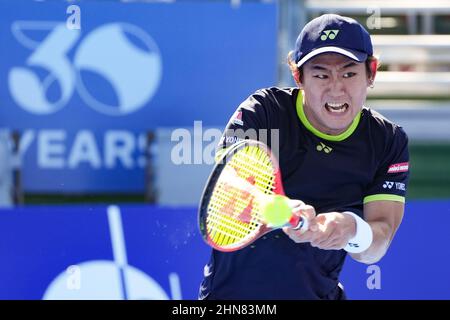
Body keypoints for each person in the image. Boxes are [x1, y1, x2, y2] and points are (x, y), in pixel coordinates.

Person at [199, 14, 409, 300]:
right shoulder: (264, 111)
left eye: (349, 73)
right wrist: (279, 209)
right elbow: (231, 188)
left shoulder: (387, 141)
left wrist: (351, 229)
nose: (336, 88)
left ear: (371, 72)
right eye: (321, 74)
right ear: (298, 76)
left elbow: (378, 241)